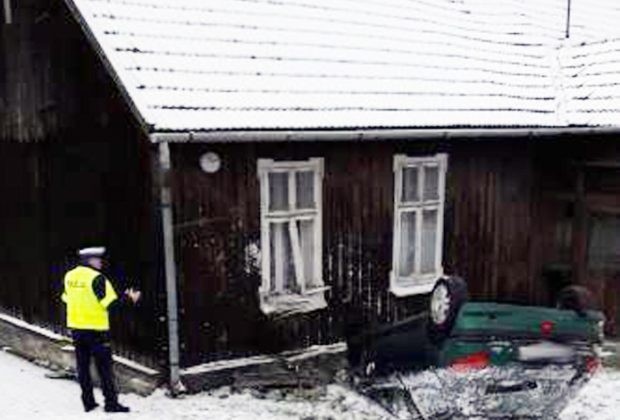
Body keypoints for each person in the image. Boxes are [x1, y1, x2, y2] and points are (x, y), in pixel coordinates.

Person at [61, 246, 141, 413]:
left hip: (77, 329)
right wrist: (129, 299)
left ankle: (88, 402)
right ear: (89, 260)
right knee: (104, 368)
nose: (100, 262)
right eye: (97, 259)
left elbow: (66, 298)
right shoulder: (97, 279)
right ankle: (111, 404)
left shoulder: (69, 276)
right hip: (96, 331)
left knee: (83, 367)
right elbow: (111, 304)